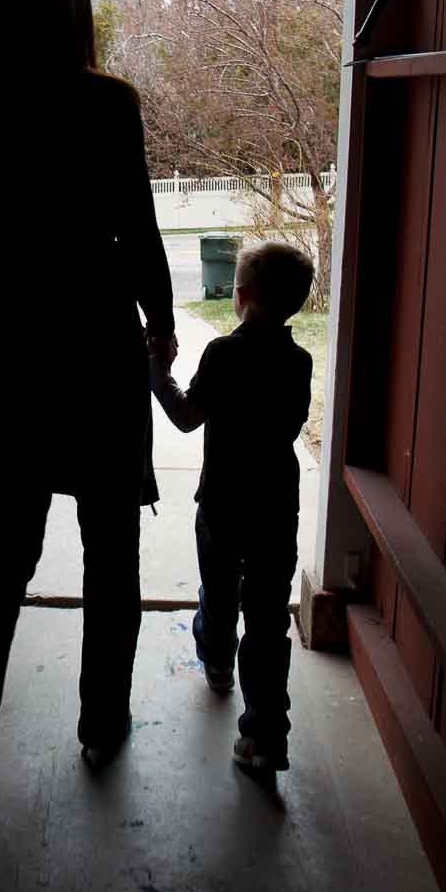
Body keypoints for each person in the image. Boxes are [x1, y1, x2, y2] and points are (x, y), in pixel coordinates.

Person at [0, 0, 176, 845]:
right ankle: (103, 722)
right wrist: (162, 326)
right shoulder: (108, 106)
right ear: (75, 3)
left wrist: (26, 268)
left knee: (0, 564)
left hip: (20, 359)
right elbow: (139, 234)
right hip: (102, 356)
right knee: (113, 550)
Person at [149, 241, 314, 776]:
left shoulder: (222, 355)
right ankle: (267, 737)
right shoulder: (299, 362)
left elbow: (187, 416)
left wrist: (158, 372)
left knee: (219, 590)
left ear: (238, 297)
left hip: (223, 502)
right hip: (276, 506)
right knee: (268, 617)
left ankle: (217, 662)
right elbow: (288, 427)